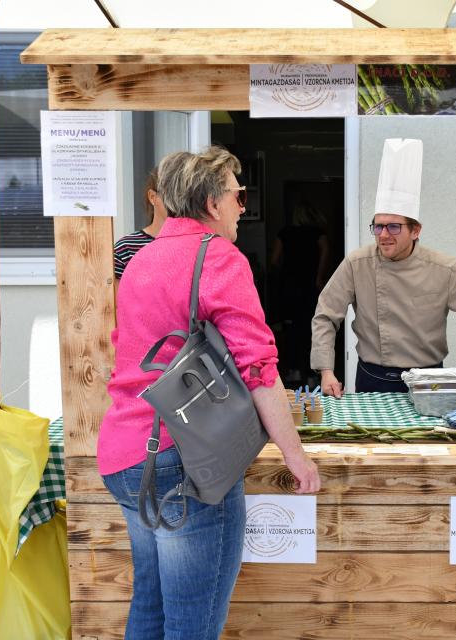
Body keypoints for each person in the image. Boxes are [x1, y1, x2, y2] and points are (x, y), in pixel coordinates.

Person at [99, 148, 320, 640]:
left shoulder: (141, 258)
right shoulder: (217, 257)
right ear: (212, 203)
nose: (243, 206)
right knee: (192, 625)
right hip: (184, 458)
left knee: (151, 605)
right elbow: (258, 367)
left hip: (125, 452)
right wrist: (295, 455)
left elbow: (125, 349)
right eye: (239, 195)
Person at [311, 138, 456, 396]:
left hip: (429, 381)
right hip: (373, 380)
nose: (384, 235)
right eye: (378, 226)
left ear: (415, 230)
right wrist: (326, 370)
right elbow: (326, 315)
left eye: (394, 227)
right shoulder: (357, 264)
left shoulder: (445, 268)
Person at [270, 202, 331, 386]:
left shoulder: (284, 233)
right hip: (310, 287)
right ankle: (312, 374)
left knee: (291, 330)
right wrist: (319, 277)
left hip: (289, 288)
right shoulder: (319, 234)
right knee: (312, 329)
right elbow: (326, 253)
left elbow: (274, 260)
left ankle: (293, 371)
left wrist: (284, 272)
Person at [113, 168, 168, 281]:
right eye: (170, 195)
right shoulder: (125, 249)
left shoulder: (196, 245)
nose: (178, 202)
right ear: (152, 197)